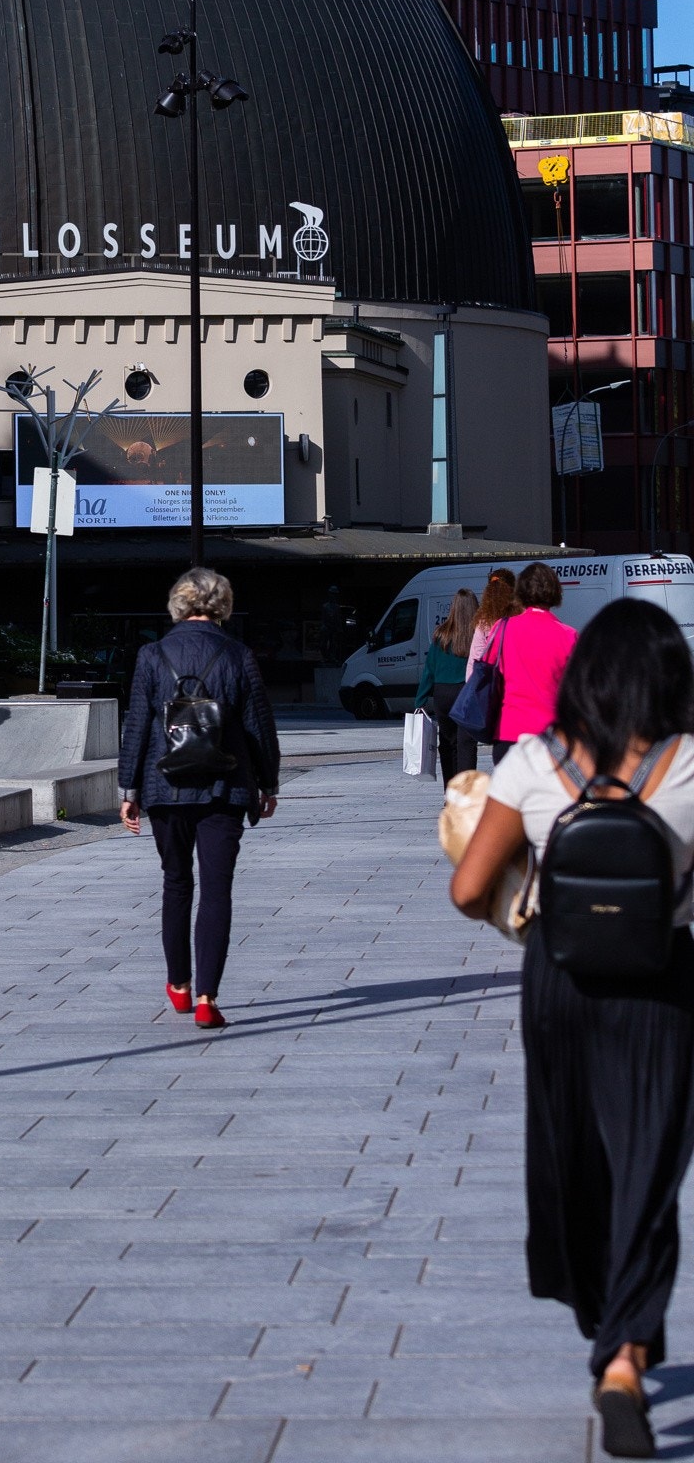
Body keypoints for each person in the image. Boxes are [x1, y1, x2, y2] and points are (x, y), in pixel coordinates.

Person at [450, 600, 694, 1458]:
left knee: (574, 1159)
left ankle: (608, 1321)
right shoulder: (691, 764)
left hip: (557, 980)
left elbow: (467, 888)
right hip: (661, 984)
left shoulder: (535, 761)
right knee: (649, 1162)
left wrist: (524, 901)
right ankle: (624, 1354)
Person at [118, 566, 281, 1030]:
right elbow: (258, 727)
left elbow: (136, 727)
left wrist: (128, 789)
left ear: (179, 604)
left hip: (163, 788)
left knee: (175, 882)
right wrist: (268, 783)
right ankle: (209, 997)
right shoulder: (239, 656)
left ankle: (179, 986)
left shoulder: (152, 655)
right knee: (217, 889)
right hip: (224, 787)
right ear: (222, 605)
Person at [493, 560, 577, 760]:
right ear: (555, 591)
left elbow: (490, 674)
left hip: (510, 730)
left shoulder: (502, 629)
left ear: (520, 592)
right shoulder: (569, 636)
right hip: (553, 735)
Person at [415, 588, 479, 785]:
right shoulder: (476, 635)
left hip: (442, 693)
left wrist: (421, 699)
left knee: (447, 744)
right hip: (466, 692)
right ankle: (465, 793)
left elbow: (429, 670)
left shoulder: (441, 634)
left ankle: (450, 793)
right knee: (466, 744)